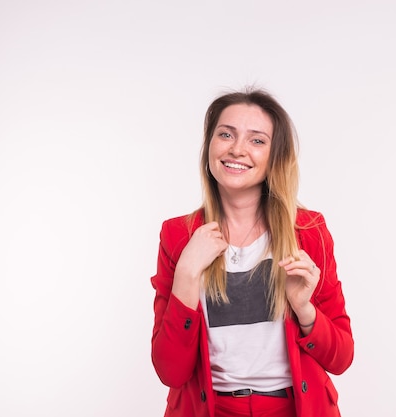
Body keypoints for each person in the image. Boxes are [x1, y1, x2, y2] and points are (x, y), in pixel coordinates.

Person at [150, 87, 354, 417]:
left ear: (275, 156)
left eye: (257, 140)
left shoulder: (308, 231)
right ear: (209, 147)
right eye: (225, 134)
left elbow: (341, 357)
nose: (237, 149)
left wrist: (304, 309)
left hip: (293, 408)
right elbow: (170, 370)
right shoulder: (179, 236)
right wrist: (187, 273)